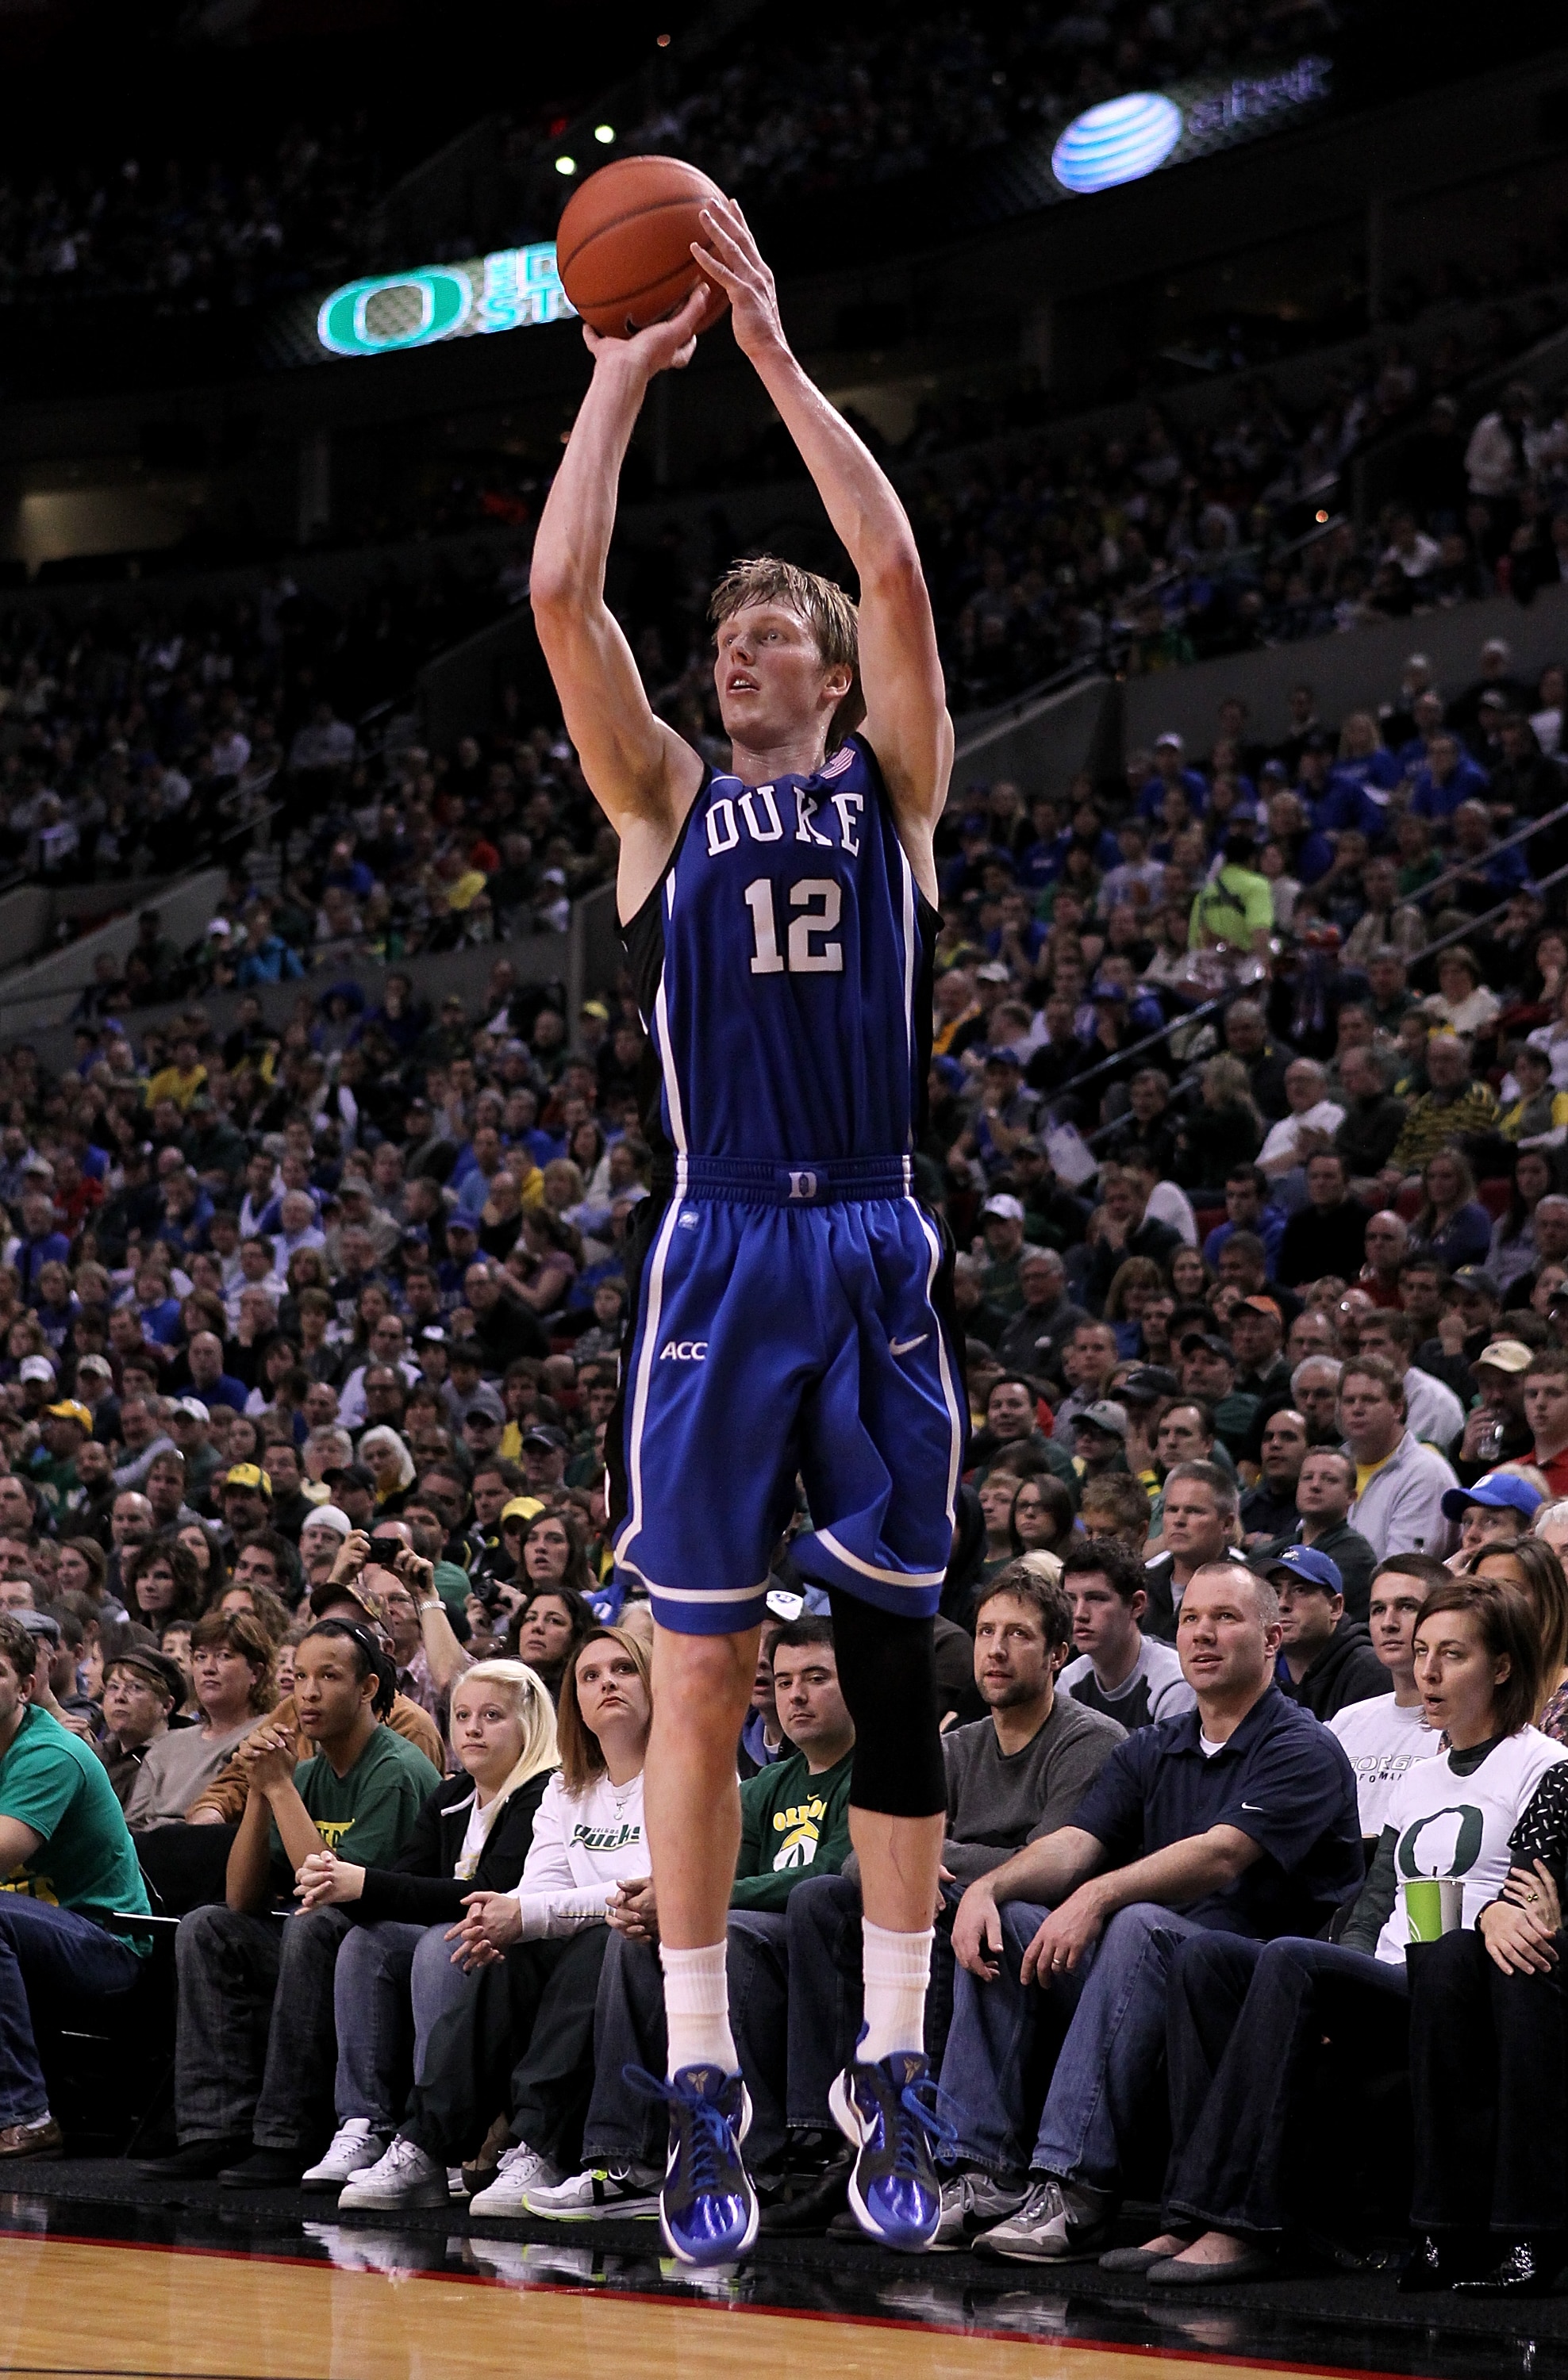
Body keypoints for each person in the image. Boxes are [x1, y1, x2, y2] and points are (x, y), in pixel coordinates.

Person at [529, 195, 961, 2259]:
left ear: (824, 668)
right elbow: (558, 594)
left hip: (870, 1237)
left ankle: (891, 2064)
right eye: (727, 643)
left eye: (768, 636)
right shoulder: (665, 811)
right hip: (718, 1253)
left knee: (888, 1667)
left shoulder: (895, 786)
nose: (740, 653)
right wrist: (621, 374)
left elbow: (888, 561)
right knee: (694, 1687)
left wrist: (775, 356)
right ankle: (700, 2070)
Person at [1128, 1579, 1560, 2285]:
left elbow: (1529, 1904)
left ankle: (1240, 2222)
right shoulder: (1420, 1776)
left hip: (1455, 1985)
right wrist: (1343, 1979)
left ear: (1503, 1666)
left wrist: (1329, 1977)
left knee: (1294, 1961)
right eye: (1422, 1652)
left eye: (1452, 1655)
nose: (1427, 1672)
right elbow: (1374, 1903)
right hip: (1383, 1978)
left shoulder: (1540, 1765)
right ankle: (1191, 2211)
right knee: (1208, 1957)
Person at [936, 1562, 1362, 2261]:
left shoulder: (1302, 1746)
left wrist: (1100, 1895)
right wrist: (988, 1890)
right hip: (1147, 1971)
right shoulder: (1153, 1746)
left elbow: (1221, 1855)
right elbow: (1072, 1845)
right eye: (1191, 1618)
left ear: (1273, 1637)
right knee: (1010, 1926)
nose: (1203, 1634)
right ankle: (978, 2171)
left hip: (1250, 1977)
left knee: (1136, 1922)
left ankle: (1076, 2187)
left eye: (1226, 1618)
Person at [524, 1616, 864, 2220]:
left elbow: (831, 1872)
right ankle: (627, 2160)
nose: (796, 1695)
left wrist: (690, 1901)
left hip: (839, 1949)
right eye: (784, 1681)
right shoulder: (767, 1785)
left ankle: (752, 2161)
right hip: (762, 1935)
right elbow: (726, 1866)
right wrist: (672, 1906)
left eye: (817, 1678)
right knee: (630, 1941)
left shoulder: (872, 1773)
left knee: (729, 1932)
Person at [337, 1627, 651, 2213]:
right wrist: (511, 1920)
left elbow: (635, 1890)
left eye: (623, 1670)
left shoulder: (686, 1773)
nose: (606, 1682)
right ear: (575, 1705)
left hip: (651, 1945)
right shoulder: (565, 1788)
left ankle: (539, 2146)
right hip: (579, 1935)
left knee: (591, 1944)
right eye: (589, 1676)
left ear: (656, 1687)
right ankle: (427, 2147)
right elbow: (543, 1886)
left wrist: (524, 1915)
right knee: (500, 1952)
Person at [139, 1620, 443, 2182]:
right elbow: (241, 1897)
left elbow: (326, 1891)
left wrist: (279, 1788)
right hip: (324, 1942)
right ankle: (216, 2129)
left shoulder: (395, 1771)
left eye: (328, 1677)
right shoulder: (308, 1772)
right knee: (207, 1927)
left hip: (385, 1957)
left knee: (312, 1924)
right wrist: (259, 1789)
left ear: (368, 1688)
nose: (307, 1693)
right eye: (300, 1676)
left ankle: (288, 2133)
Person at [290, 1656, 559, 2194]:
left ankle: (439, 2134)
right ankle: (366, 2123)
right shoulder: (452, 1794)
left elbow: (483, 1895)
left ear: (530, 1725)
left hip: (526, 1953)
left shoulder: (544, 1793)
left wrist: (363, 1883)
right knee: (367, 1941)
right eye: (461, 1716)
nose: (473, 1729)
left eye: (492, 1716)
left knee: (442, 1942)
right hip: (469, 1944)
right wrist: (334, 1882)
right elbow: (406, 1885)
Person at [0, 1608, 153, 2160]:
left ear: (27, 1686)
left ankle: (25, 2115)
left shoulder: (49, 1753)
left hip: (107, 1943)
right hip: (33, 1934)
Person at [1327, 1553, 1446, 1848]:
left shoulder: (1462, 1724)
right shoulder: (1347, 1720)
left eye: (1407, 1607)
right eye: (1378, 1609)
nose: (1388, 1623)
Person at [124, 1609, 275, 1831]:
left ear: (256, 1673)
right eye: (201, 1657)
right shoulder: (164, 1747)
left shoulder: (267, 1734)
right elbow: (131, 1827)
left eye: (224, 1656)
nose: (208, 1669)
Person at [1058, 1537, 1197, 1730]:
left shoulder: (1174, 1683)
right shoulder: (1070, 1682)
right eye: (1071, 1599)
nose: (1079, 1614)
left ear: (1136, 1605)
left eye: (1096, 1598)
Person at [1341, 1357, 1459, 1563]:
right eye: (1349, 1400)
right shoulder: (1334, 1465)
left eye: (1369, 1400)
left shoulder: (1425, 1474)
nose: (1357, 1409)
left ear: (1398, 1409)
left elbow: (1403, 1571)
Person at [1257, 1545, 1389, 1722]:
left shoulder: (1369, 1673)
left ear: (1335, 1607)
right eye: (1275, 1592)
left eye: (1300, 1590)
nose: (1282, 1604)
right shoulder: (1258, 1672)